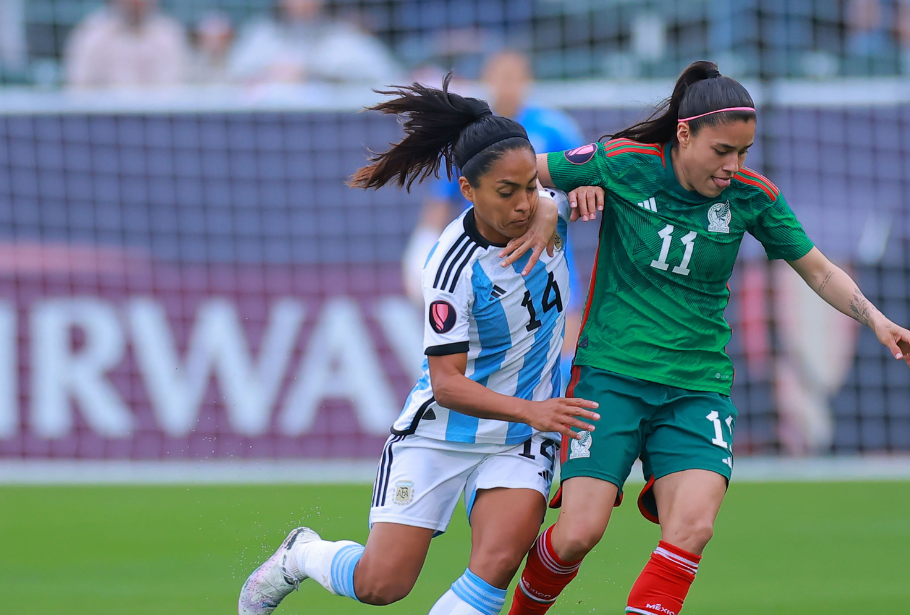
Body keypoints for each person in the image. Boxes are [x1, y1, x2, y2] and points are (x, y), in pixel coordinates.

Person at [462, 60, 910, 615]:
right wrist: (547, 206)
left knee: (695, 525)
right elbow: (517, 173)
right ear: (683, 136)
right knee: (579, 532)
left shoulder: (751, 198)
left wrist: (877, 320)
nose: (732, 165)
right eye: (721, 150)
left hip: (697, 389)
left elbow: (818, 271)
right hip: (611, 379)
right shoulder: (622, 162)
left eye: (743, 152)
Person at [236, 75, 599, 615]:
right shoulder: (450, 268)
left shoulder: (547, 206)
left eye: (530, 188)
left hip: (519, 438)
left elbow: (613, 167)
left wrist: (557, 199)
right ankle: (302, 554)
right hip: (444, 431)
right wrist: (535, 410)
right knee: (383, 584)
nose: (523, 204)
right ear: (467, 189)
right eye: (506, 192)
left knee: (498, 558)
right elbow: (448, 385)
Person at [404, 51, 586, 358]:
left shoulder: (554, 128)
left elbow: (581, 183)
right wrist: (421, 245)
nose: (508, 86)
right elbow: (443, 196)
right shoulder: (472, 138)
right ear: (487, 81)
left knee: (565, 342)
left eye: (515, 78)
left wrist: (549, 204)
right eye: (501, 77)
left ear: (528, 81)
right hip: (488, 256)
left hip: (547, 249)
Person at [227, 0, 401, 85]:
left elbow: (384, 75)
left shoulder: (345, 35)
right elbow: (234, 75)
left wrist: (314, 75)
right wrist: (269, 73)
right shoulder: (261, 34)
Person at [63, 0, 189, 89]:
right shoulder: (91, 34)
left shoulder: (170, 34)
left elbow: (177, 87)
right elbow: (79, 88)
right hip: (104, 121)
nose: (135, 3)